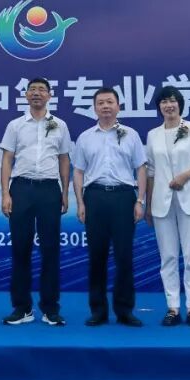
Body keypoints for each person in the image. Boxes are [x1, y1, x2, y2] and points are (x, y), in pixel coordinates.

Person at [72, 87, 148, 327]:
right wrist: (80, 202)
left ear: (118, 106)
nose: (105, 106)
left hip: (124, 197)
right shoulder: (85, 137)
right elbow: (78, 171)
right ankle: (98, 311)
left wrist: (140, 200)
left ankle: (125, 310)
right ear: (94, 108)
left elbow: (141, 168)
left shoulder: (131, 135)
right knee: (97, 256)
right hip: (95, 197)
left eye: (110, 102)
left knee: (124, 256)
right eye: (101, 103)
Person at [0, 78, 72, 326]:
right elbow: (7, 159)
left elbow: (64, 159)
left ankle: (50, 308)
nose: (37, 93)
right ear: (26, 95)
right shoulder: (15, 125)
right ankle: (22, 308)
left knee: (50, 250)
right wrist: (5, 193)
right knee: (20, 249)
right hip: (21, 188)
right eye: (32, 90)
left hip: (50, 189)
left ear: (50, 95)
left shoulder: (60, 125)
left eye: (42, 90)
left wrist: (65, 192)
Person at [144, 86, 190, 327]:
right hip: (161, 204)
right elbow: (151, 171)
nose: (168, 105)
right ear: (159, 107)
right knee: (168, 257)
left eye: (172, 101)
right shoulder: (153, 134)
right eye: (164, 101)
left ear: (180, 104)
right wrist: (148, 205)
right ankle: (172, 307)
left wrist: (186, 175)